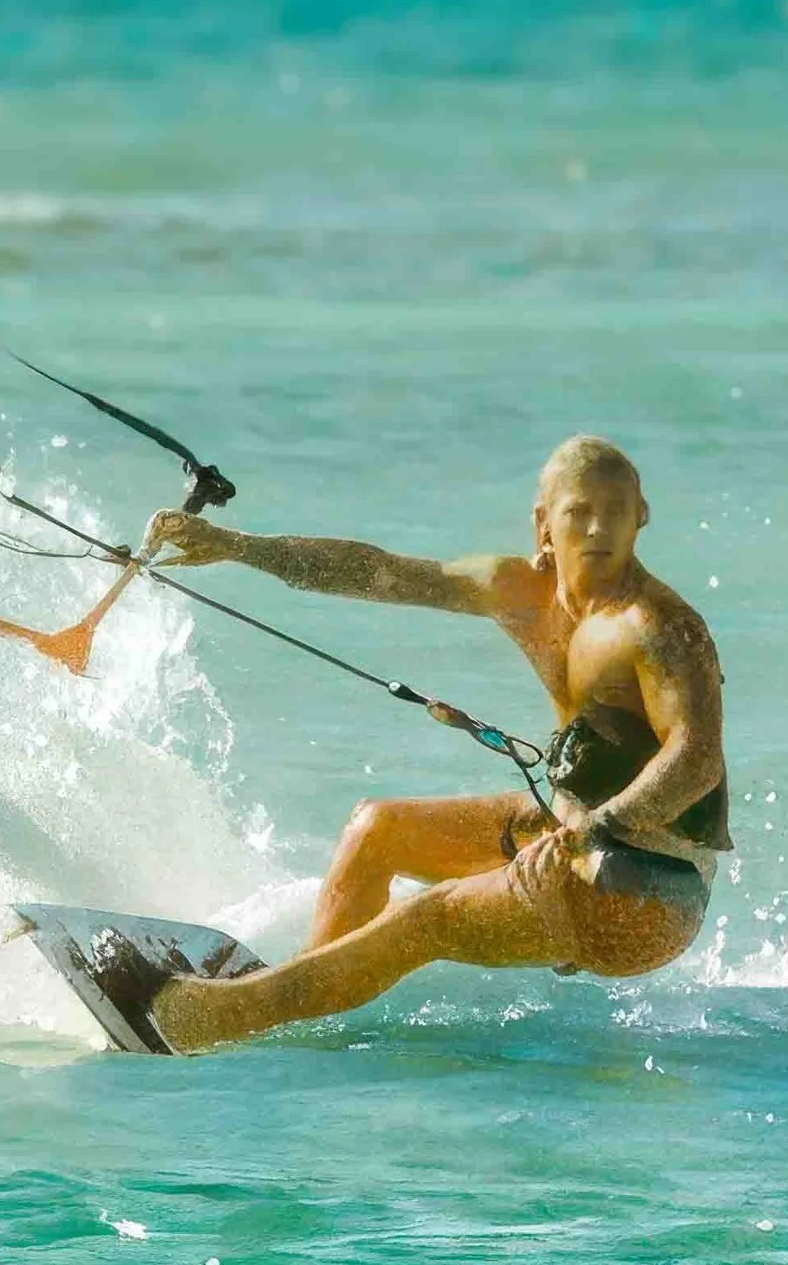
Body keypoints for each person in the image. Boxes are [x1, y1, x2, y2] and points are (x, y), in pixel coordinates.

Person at [137, 434, 731, 1053]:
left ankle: (214, 1019)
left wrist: (595, 829)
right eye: (578, 511)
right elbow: (382, 573)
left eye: (615, 511)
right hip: (567, 834)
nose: (597, 528)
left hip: (645, 892)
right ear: (544, 524)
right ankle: (300, 1001)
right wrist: (235, 547)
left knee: (424, 920)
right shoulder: (521, 592)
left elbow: (695, 761)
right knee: (377, 829)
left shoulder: (659, 627)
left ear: (641, 517)